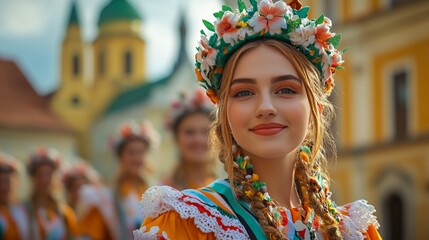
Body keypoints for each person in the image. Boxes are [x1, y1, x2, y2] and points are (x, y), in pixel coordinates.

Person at [133, 0, 382, 239]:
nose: (265, 107)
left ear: (315, 107)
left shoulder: (356, 231)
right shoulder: (185, 224)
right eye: (243, 92)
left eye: (286, 89)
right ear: (224, 114)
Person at [111, 120, 159, 239]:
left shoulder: (157, 191)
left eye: (141, 152)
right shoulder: (108, 195)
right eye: (131, 152)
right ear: (120, 156)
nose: (136, 158)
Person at [163, 89, 216, 190]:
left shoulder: (225, 188)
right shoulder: (166, 192)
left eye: (206, 132)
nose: (198, 140)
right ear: (176, 138)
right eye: (189, 132)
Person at [26, 147, 78, 240]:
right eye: (40, 174)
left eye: (48, 174)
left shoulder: (65, 212)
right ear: (33, 178)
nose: (44, 180)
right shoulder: (22, 211)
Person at [63, 160, 120, 240]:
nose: (80, 192)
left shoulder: (96, 212)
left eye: (83, 187)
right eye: (75, 188)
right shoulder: (64, 213)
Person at [0, 152, 29, 240]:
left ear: (17, 183)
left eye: (8, 182)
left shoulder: (25, 210)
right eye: (0, 182)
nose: (3, 187)